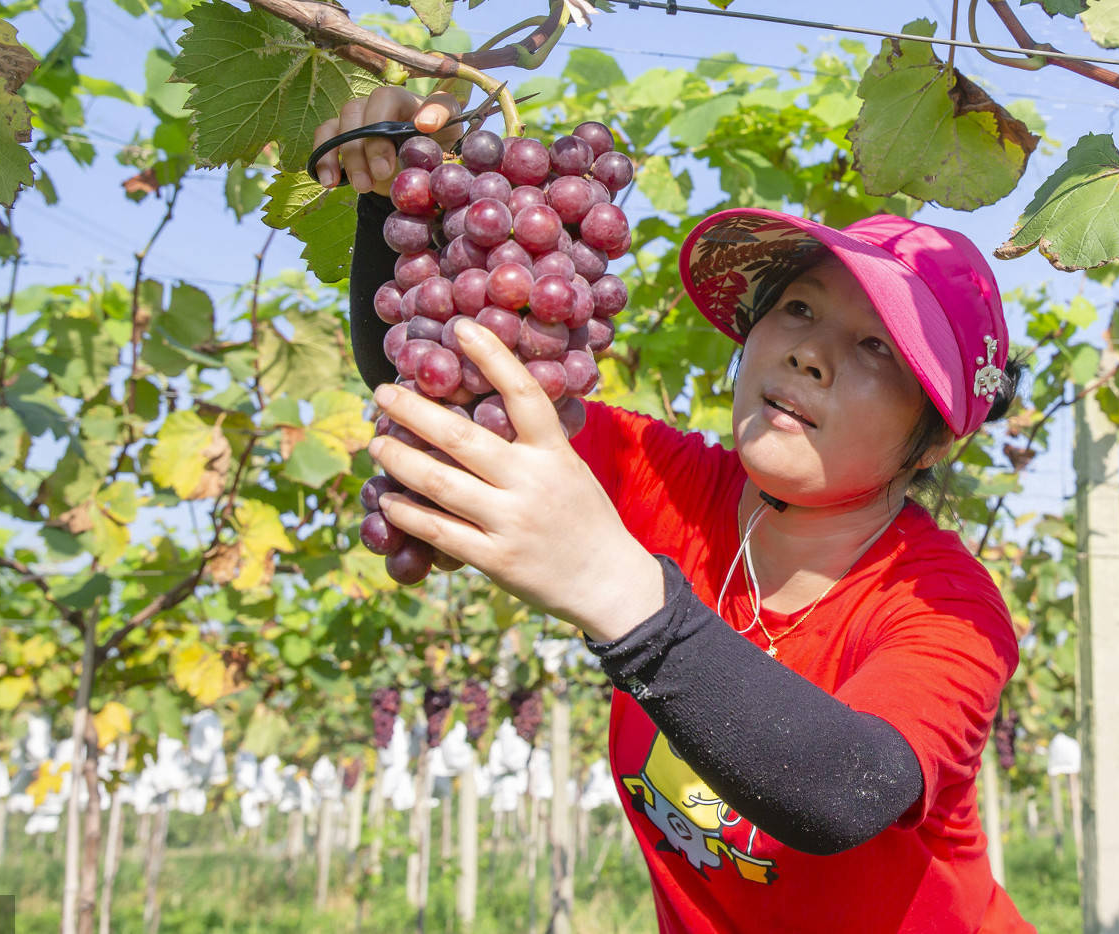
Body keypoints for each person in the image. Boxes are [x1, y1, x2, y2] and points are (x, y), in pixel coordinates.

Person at [314, 87, 1035, 934]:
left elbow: (846, 789)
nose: (810, 353)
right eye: (799, 308)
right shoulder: (678, 487)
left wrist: (615, 589)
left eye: (877, 347)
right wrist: (388, 197)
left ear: (934, 440)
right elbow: (456, 399)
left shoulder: (944, 604)